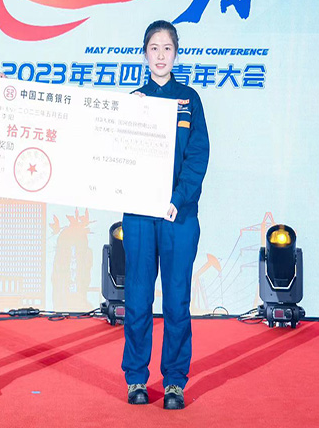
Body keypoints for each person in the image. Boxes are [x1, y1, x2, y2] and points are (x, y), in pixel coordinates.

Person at [121, 20, 210, 410]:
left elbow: (198, 156)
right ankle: (136, 379)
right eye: (154, 48)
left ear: (176, 53)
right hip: (140, 216)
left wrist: (178, 198)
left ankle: (174, 381)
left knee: (176, 301)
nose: (160, 56)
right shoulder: (132, 102)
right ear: (145, 54)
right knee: (138, 299)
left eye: (167, 48)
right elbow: (117, 156)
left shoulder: (189, 100)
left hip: (179, 216)